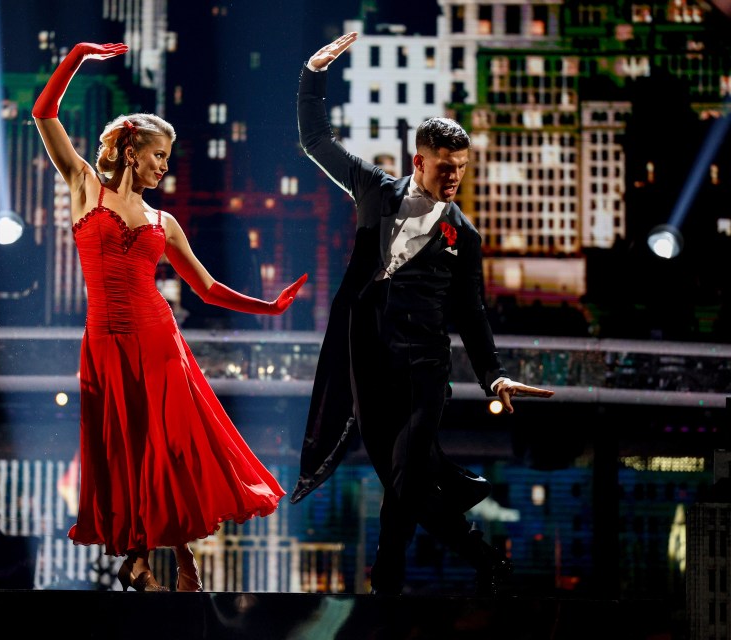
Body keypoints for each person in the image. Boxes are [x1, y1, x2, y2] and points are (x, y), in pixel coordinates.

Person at [33, 41, 308, 592]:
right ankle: (151, 561)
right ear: (132, 151)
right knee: (125, 448)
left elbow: (207, 289)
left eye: (168, 158)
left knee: (164, 448)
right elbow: (44, 113)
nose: (165, 166)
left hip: (158, 340)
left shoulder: (164, 222)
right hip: (104, 343)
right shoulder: (85, 185)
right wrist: (80, 56)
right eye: (159, 156)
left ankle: (162, 560)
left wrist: (269, 307)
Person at [290, 32, 555, 596]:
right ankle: (483, 557)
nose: (454, 176)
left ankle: (385, 581)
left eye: (461, 167)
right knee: (402, 482)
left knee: (408, 474)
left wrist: (493, 374)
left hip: (424, 373)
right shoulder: (374, 189)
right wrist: (314, 72)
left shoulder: (466, 235)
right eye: (443, 167)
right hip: (370, 367)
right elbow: (316, 139)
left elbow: (472, 313)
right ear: (419, 161)